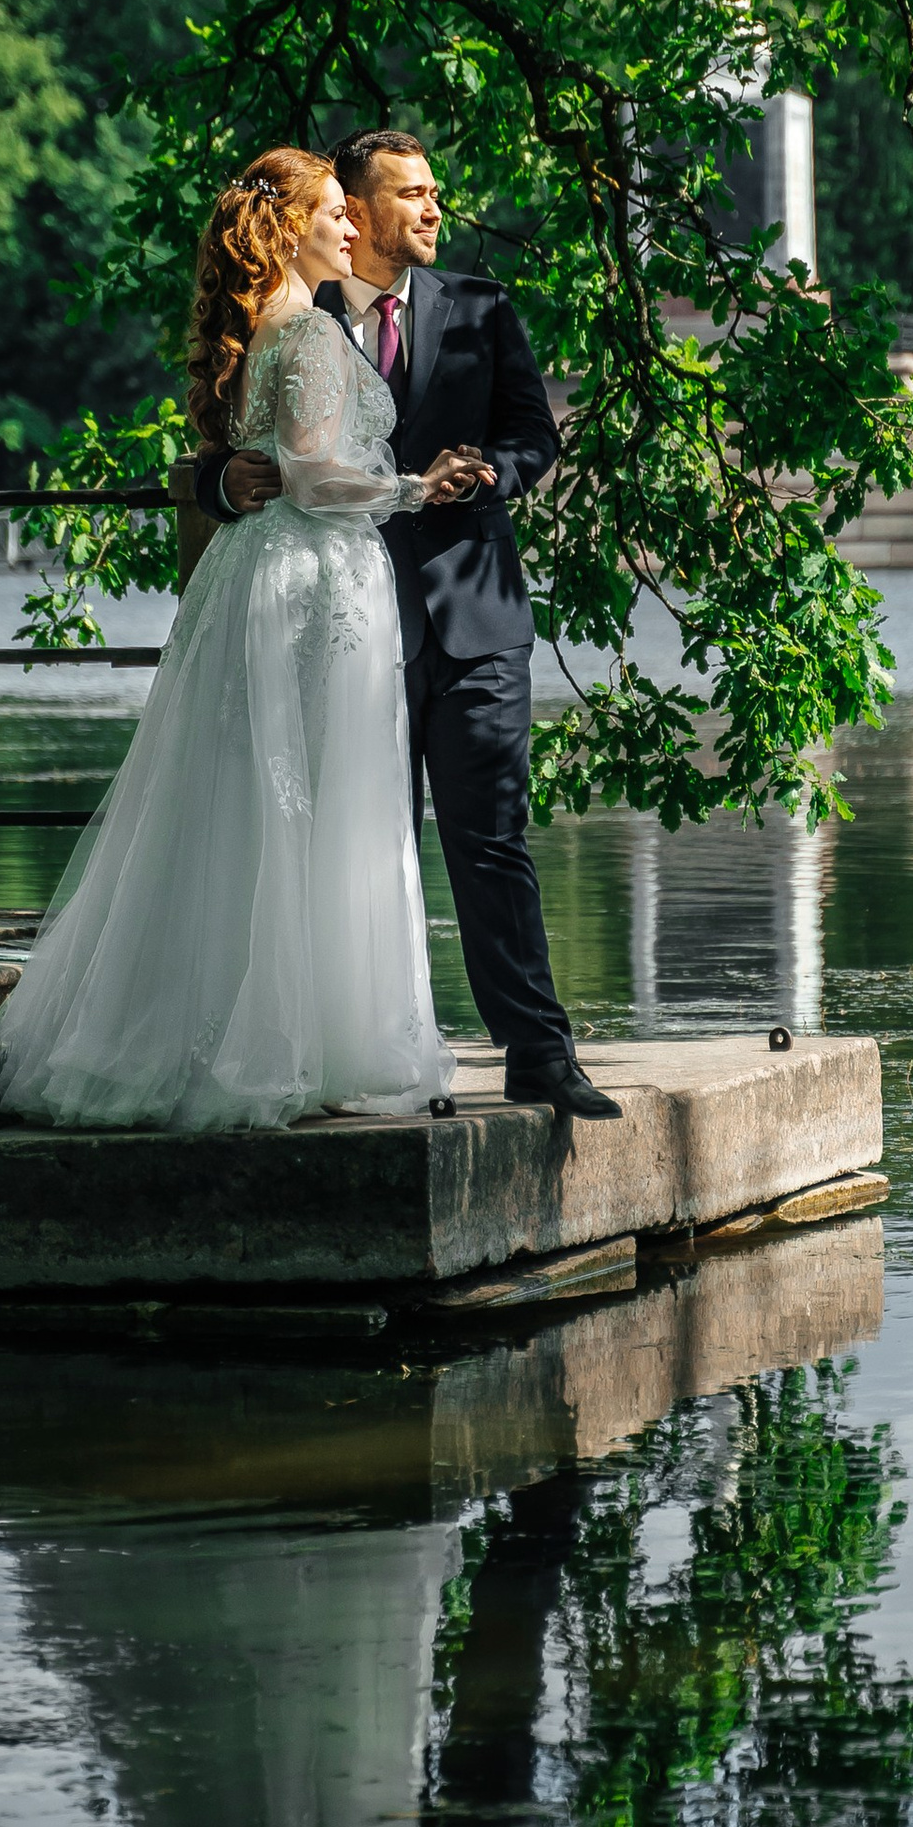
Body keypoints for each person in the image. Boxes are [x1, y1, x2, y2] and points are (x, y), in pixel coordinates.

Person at [0, 149, 491, 1132]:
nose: (354, 228)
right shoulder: (300, 332)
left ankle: (277, 1031)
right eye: (336, 213)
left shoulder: (281, 327)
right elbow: (307, 474)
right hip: (308, 583)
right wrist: (411, 490)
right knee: (313, 803)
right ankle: (290, 1044)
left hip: (279, 576)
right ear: (288, 226)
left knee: (270, 803)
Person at [194, 129, 621, 1124]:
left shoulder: (481, 308)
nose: (433, 209)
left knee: (491, 840)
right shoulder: (294, 309)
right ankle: (347, 1052)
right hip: (336, 622)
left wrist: (491, 474)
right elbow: (235, 442)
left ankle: (538, 1054)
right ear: (353, 203)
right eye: (410, 194)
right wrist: (223, 480)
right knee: (348, 842)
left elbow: (534, 436)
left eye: (436, 191)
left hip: (472, 616)